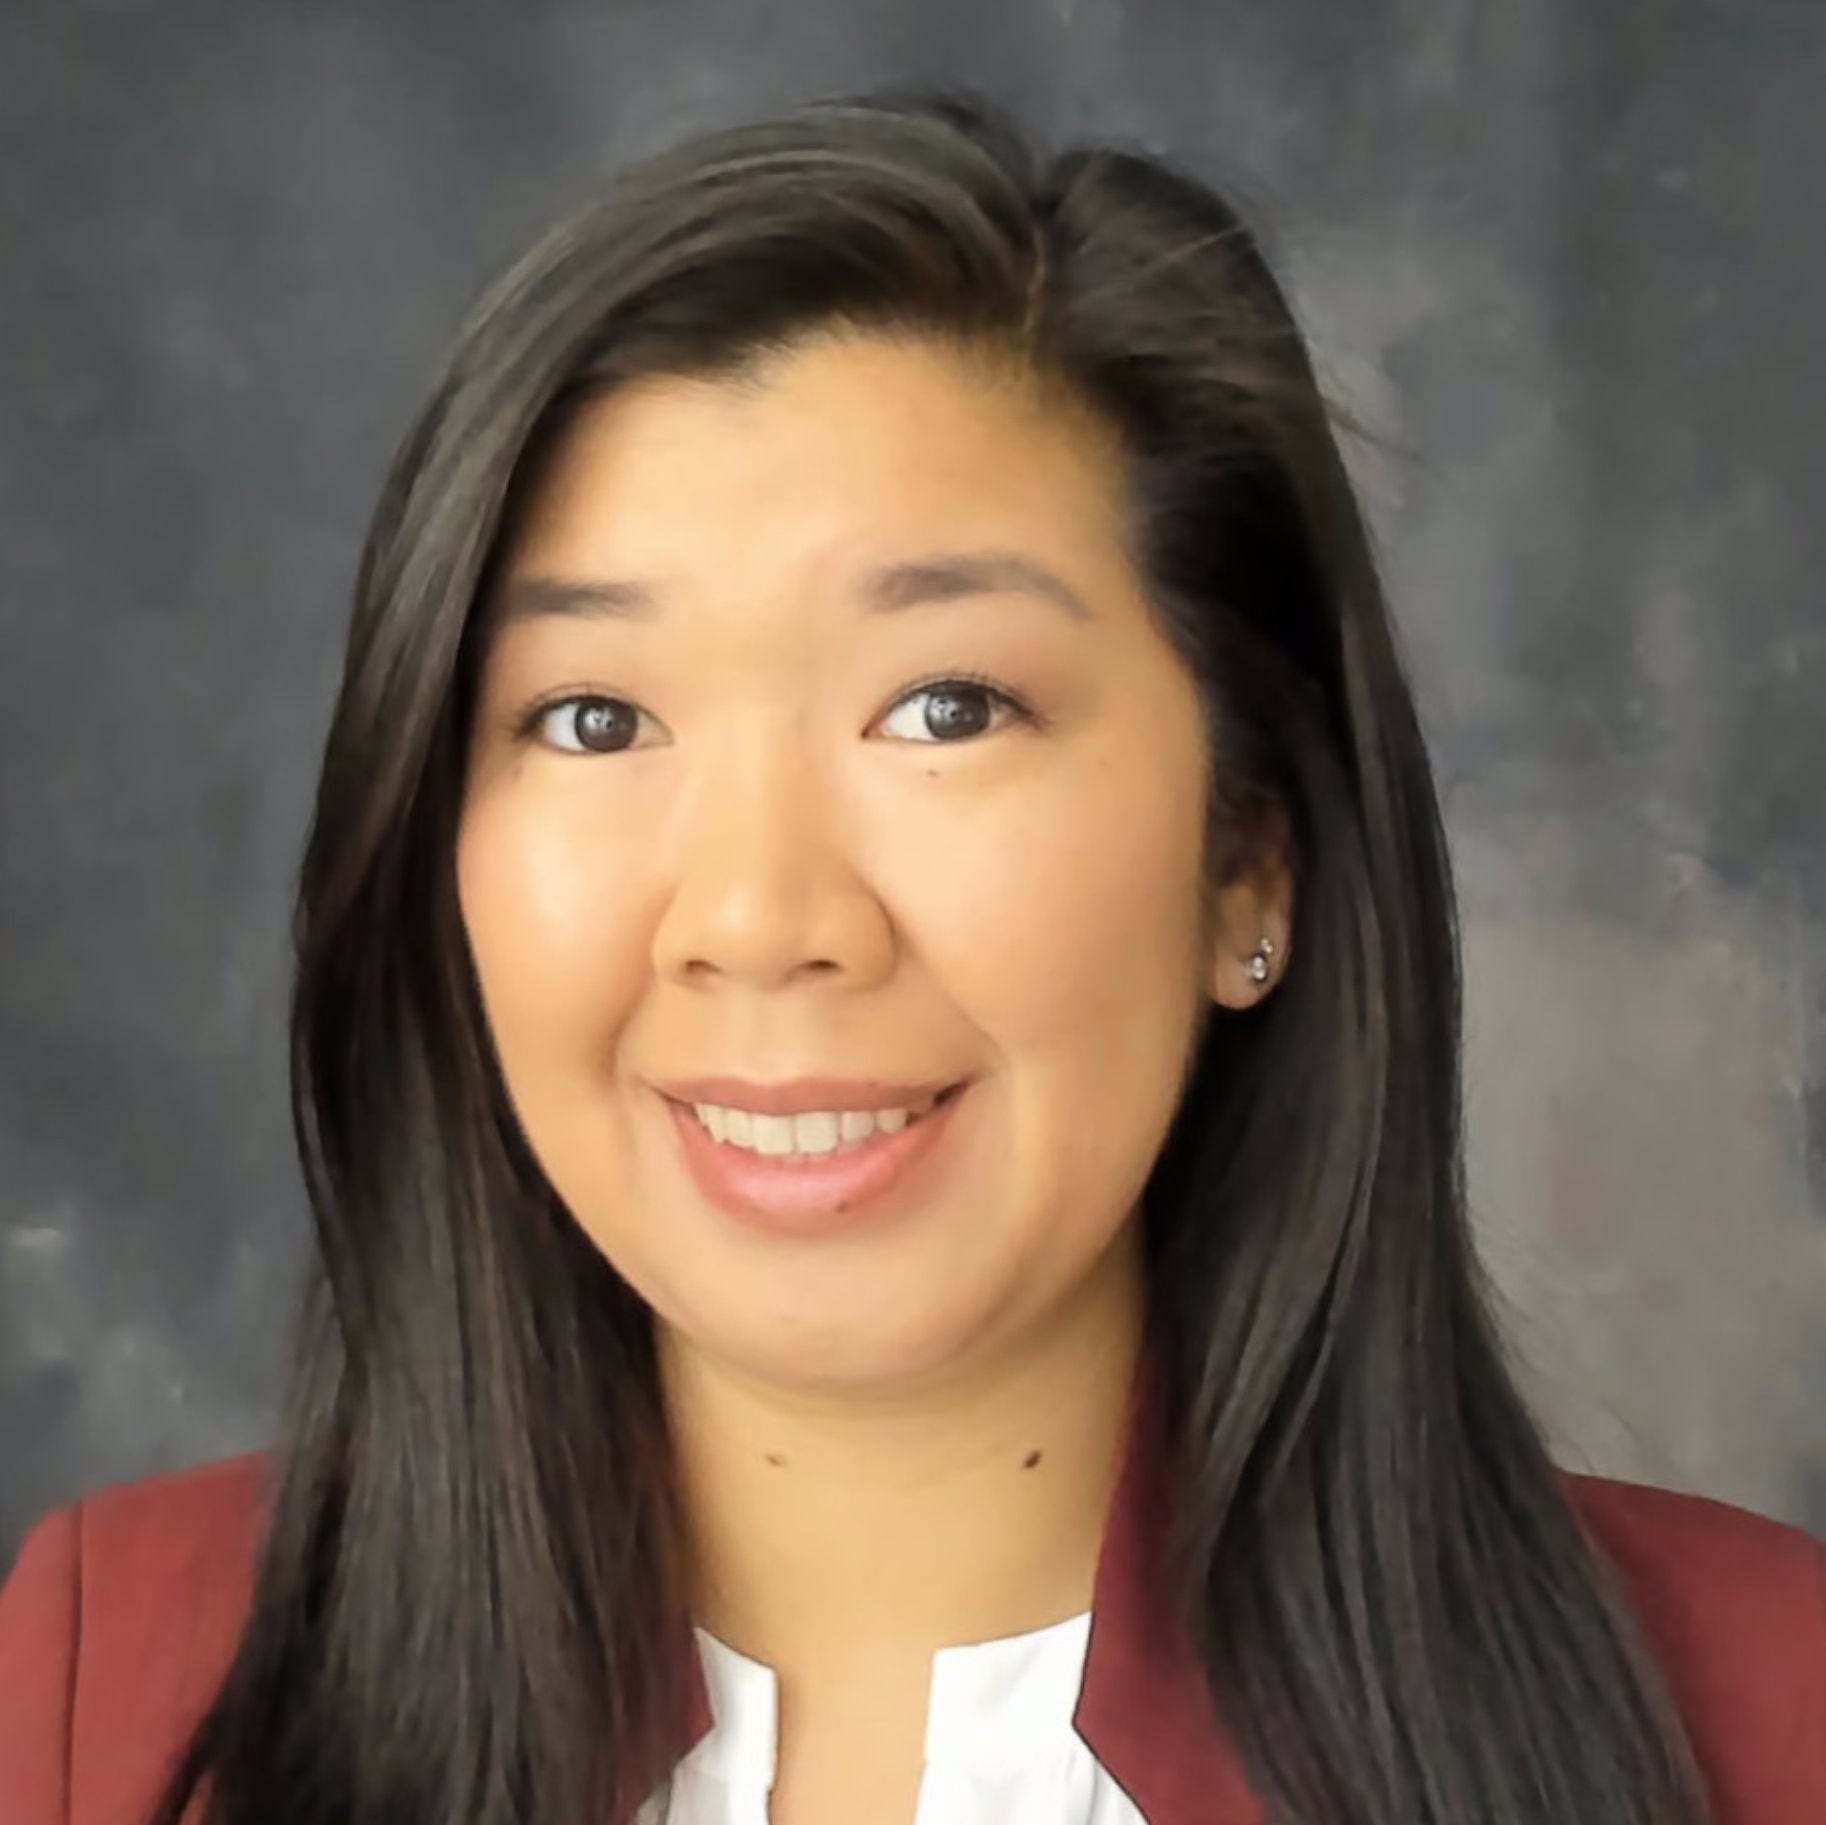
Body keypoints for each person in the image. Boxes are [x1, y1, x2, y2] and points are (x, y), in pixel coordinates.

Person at [1, 81, 1821, 1825]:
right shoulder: (111, 1686)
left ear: (1248, 863)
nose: (757, 919)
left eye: (943, 707)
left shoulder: (1764, 1708)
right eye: (590, 717)